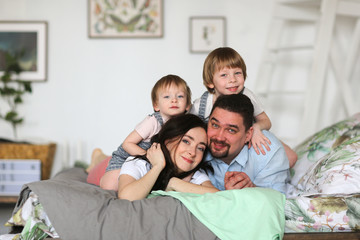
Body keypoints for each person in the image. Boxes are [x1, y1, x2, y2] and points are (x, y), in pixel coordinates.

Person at [190, 47, 298, 168]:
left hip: (246, 140)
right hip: (218, 147)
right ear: (210, 82)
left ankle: (272, 177)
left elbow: (266, 121)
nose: (232, 80)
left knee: (291, 157)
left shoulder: (247, 95)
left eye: (237, 73)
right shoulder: (201, 105)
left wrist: (256, 128)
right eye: (224, 75)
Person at [97, 74, 192, 191]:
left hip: (152, 165)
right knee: (109, 186)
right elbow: (127, 144)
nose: (174, 100)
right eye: (167, 97)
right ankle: (99, 160)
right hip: (129, 157)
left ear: (188, 105)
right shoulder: (153, 122)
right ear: (156, 105)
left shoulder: (186, 126)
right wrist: (148, 156)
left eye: (180, 96)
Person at [118, 114, 219, 201]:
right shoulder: (139, 163)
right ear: (167, 140)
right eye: (186, 141)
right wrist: (158, 166)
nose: (192, 153)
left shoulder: (195, 175)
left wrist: (174, 183)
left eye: (200, 148)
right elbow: (126, 197)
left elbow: (219, 196)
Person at [205, 93, 289, 194]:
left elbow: (277, 200)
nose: (219, 137)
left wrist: (251, 190)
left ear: (248, 135)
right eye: (215, 125)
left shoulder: (268, 151)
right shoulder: (196, 142)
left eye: (231, 130)